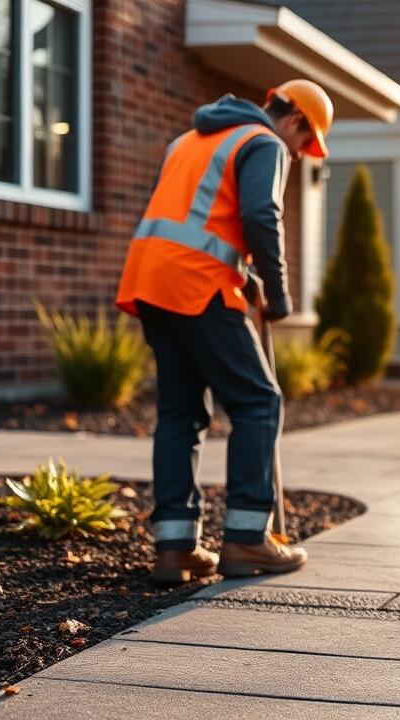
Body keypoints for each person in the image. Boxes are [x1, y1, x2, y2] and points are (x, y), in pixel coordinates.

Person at [115, 80, 334, 583]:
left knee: (180, 410)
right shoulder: (264, 143)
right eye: (304, 145)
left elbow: (199, 221)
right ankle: (247, 539)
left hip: (151, 280)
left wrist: (249, 276)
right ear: (296, 120)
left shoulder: (188, 141)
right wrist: (278, 294)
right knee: (258, 402)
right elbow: (261, 214)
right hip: (199, 285)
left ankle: (174, 547)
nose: (299, 155)